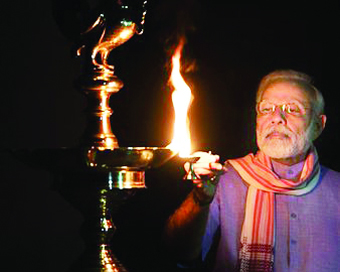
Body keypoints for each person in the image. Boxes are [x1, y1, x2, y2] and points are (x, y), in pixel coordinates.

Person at [164, 70, 340, 272]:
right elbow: (178, 253)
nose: (276, 118)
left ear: (318, 125)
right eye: (266, 109)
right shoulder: (226, 176)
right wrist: (200, 198)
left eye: (292, 109)